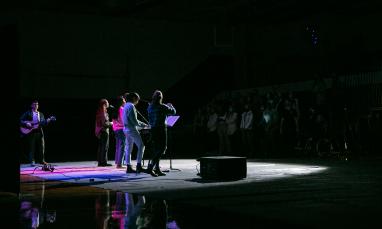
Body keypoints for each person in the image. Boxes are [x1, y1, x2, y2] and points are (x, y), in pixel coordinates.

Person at [147, 90, 176, 177]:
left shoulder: (150, 107)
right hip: (161, 129)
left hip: (153, 129)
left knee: (157, 149)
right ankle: (151, 167)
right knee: (162, 148)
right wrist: (170, 106)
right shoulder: (162, 106)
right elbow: (173, 112)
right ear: (161, 98)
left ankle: (157, 169)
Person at [20, 100, 54, 166]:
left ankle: (42, 160)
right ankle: (32, 161)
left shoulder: (41, 114)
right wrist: (27, 123)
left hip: (39, 131)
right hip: (31, 132)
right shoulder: (27, 113)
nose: (36, 106)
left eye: (37, 104)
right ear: (31, 105)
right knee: (32, 147)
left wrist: (48, 120)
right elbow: (21, 120)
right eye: (34, 104)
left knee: (42, 146)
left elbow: (43, 123)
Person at [123, 92, 149, 174]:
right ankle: (139, 166)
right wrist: (144, 126)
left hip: (126, 129)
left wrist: (142, 124)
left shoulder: (126, 105)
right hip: (131, 129)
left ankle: (128, 167)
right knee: (141, 146)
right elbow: (134, 121)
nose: (138, 101)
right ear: (134, 98)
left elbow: (133, 120)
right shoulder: (131, 106)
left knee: (128, 148)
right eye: (137, 99)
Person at [95, 99, 113, 167]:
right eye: (107, 102)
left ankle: (100, 162)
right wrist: (111, 123)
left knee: (101, 147)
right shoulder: (103, 113)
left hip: (101, 131)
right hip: (103, 131)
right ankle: (103, 162)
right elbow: (104, 124)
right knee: (104, 147)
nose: (108, 103)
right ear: (104, 104)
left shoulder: (100, 111)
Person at [112, 95, 126, 169]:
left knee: (118, 146)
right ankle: (119, 164)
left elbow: (114, 121)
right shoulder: (121, 109)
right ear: (121, 102)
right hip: (121, 129)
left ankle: (117, 162)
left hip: (116, 129)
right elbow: (123, 121)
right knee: (122, 146)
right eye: (124, 100)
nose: (125, 101)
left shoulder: (115, 109)